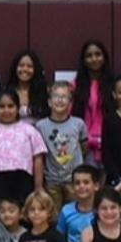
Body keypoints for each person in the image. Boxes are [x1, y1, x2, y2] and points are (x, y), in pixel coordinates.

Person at [0, 89, 46, 215]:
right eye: (1, 106)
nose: (6, 110)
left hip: (23, 180)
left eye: (10, 106)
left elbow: (37, 159)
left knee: (23, 215)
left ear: (18, 108)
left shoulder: (29, 130)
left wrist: (38, 186)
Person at [36, 81, 89, 211]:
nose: (60, 100)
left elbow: (84, 147)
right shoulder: (40, 126)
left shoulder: (78, 124)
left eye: (64, 97)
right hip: (52, 180)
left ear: (70, 103)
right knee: (54, 215)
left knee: (75, 212)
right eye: (56, 96)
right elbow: (40, 155)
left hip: (74, 180)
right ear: (49, 102)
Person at [71, 39, 113, 164]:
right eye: (89, 56)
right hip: (84, 146)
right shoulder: (75, 86)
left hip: (110, 144)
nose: (94, 59)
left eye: (98, 54)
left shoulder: (114, 85)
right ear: (84, 61)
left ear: (104, 57)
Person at [56, 164, 101, 242]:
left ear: (96, 186)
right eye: (77, 183)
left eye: (86, 182)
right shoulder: (66, 211)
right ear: (73, 187)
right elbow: (59, 237)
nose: (81, 186)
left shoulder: (102, 211)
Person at [5, 49, 49, 126]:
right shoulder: (7, 92)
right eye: (21, 66)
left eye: (29, 66)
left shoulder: (43, 92)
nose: (25, 69)